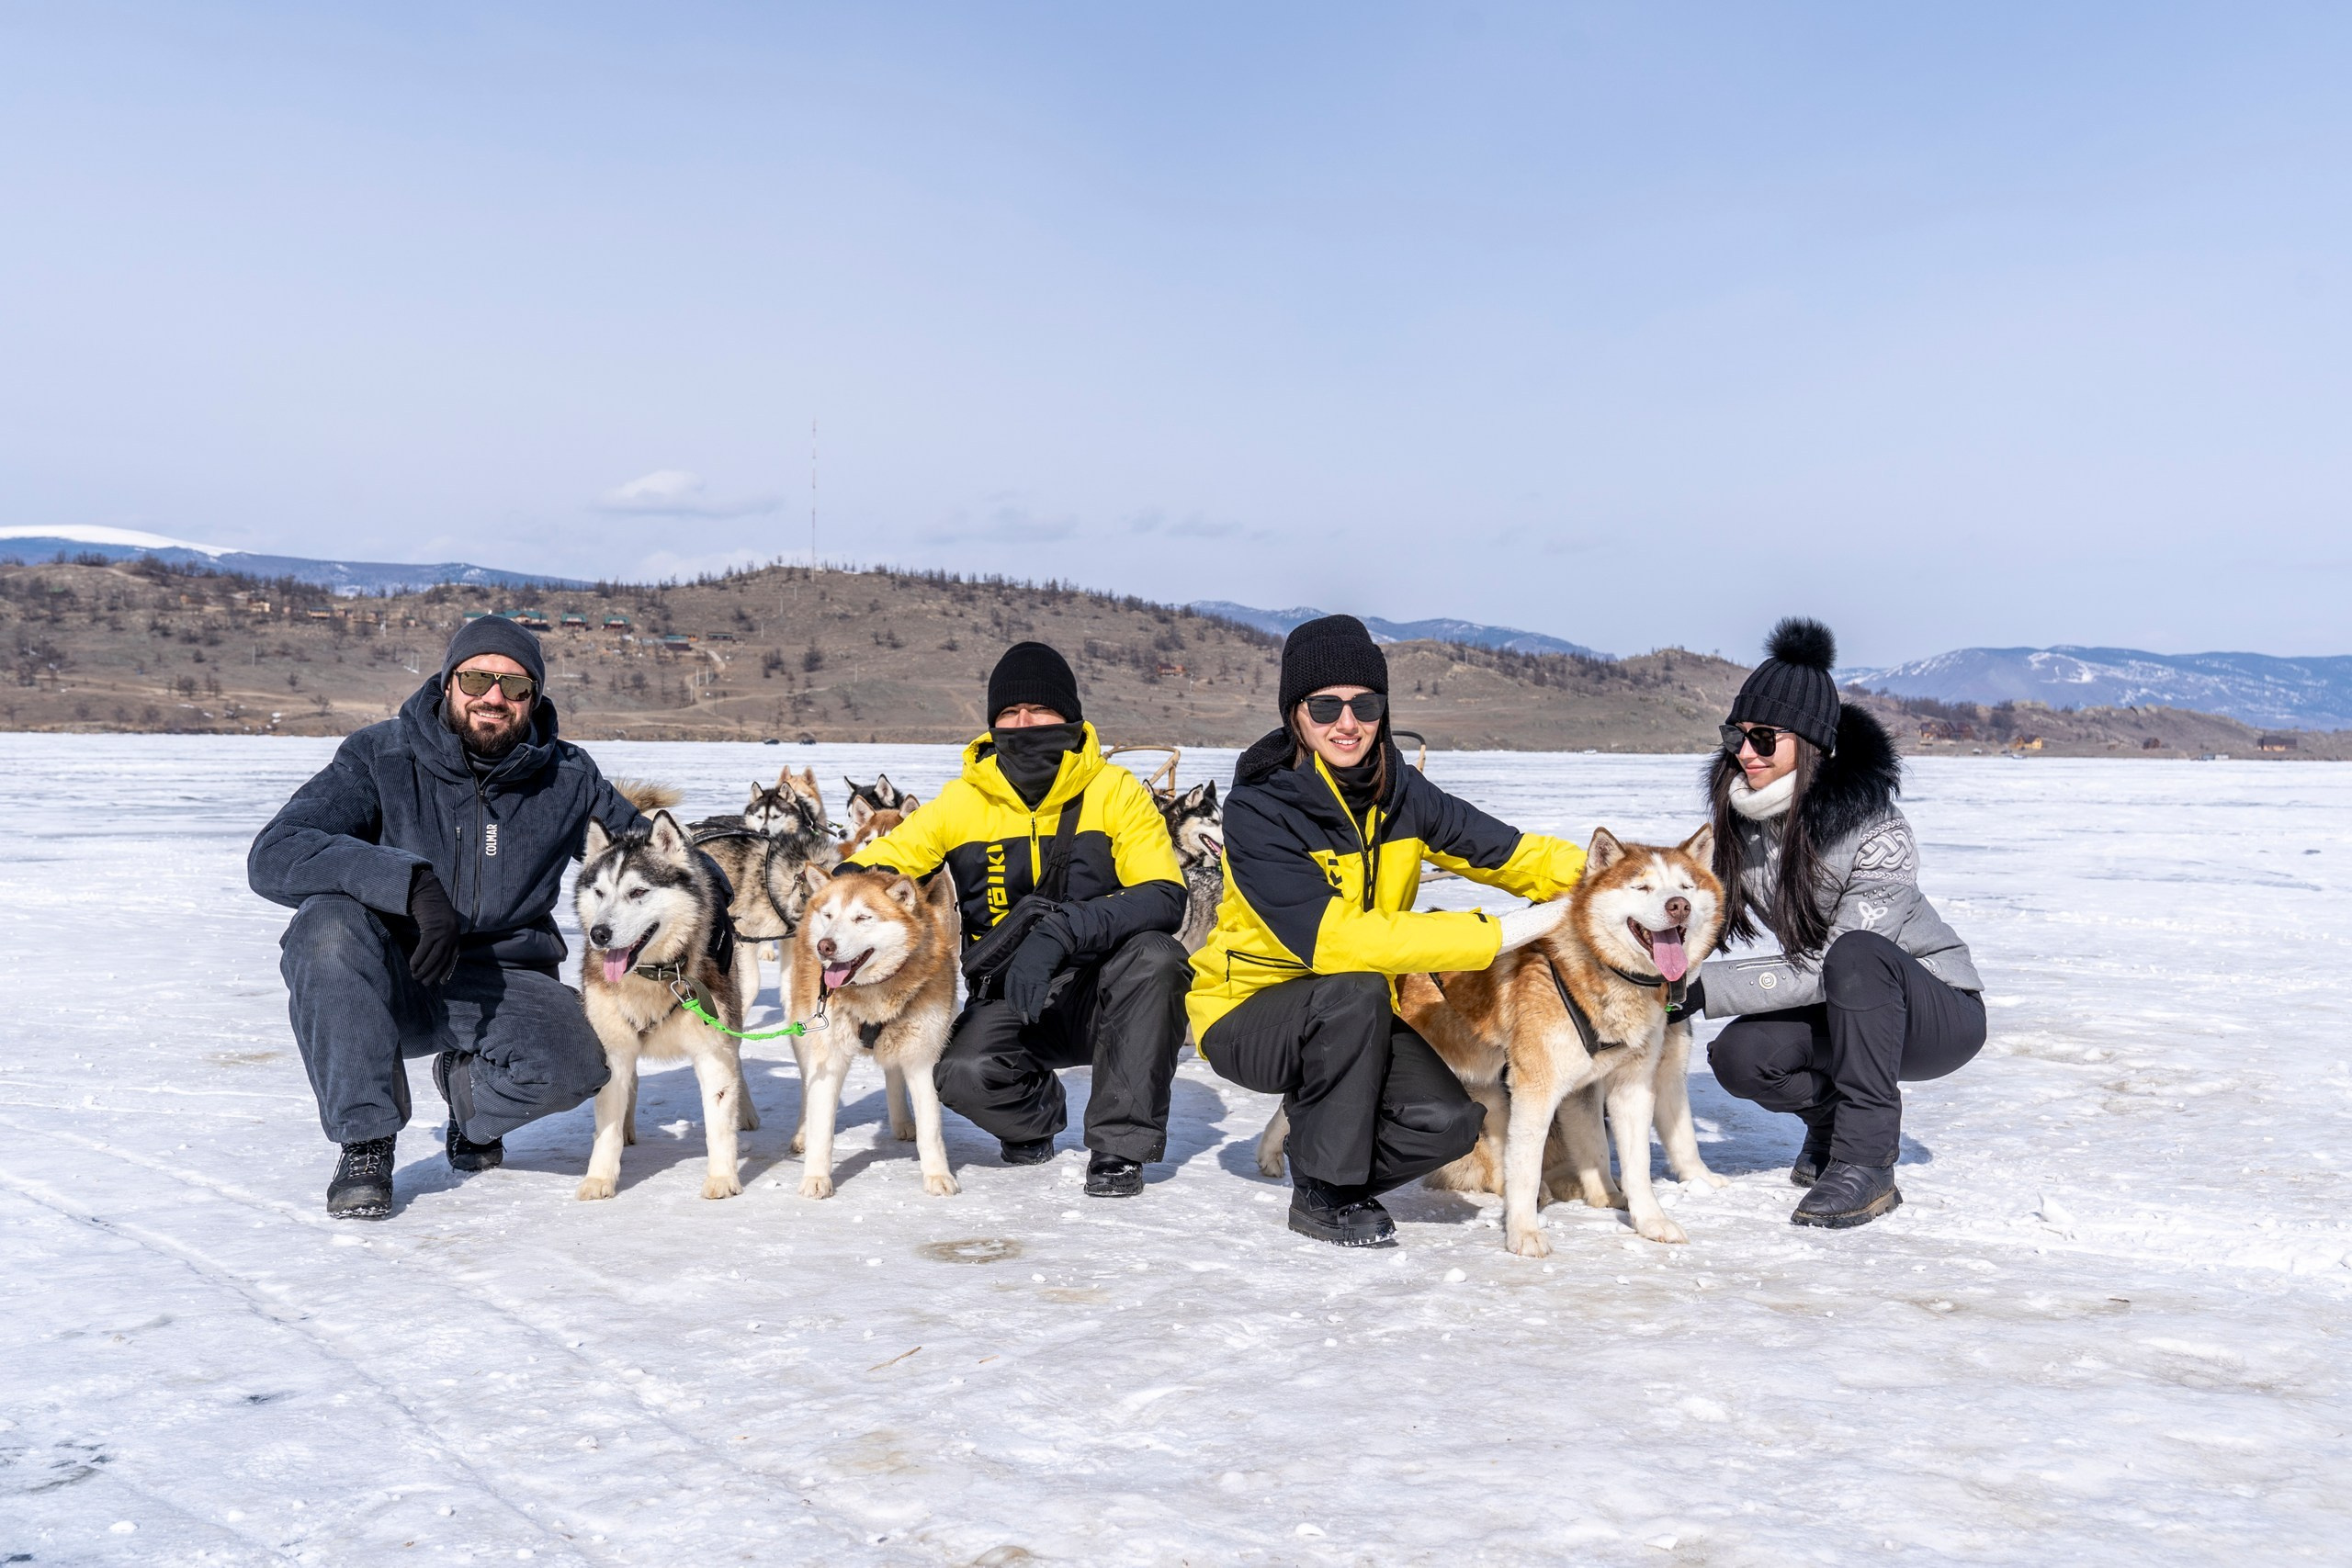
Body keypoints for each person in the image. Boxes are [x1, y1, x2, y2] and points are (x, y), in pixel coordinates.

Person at [1188, 615, 1586, 1247]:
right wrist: (1494, 934)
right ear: (1295, 713)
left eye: (1365, 705)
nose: (1347, 723)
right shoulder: (1260, 809)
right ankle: (1324, 1192)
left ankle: (1323, 1136)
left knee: (1448, 1124)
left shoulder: (1402, 792)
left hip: (1357, 1015)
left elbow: (1507, 852)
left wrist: (1617, 880)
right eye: (1326, 706)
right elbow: (1338, 941)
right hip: (1248, 1015)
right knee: (1356, 985)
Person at [249, 616, 648, 1219]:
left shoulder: (567, 777)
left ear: (534, 697)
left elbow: (647, 853)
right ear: (448, 682)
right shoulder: (380, 756)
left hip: (505, 980)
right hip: (390, 977)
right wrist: (408, 883)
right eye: (477, 679)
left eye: (515, 686)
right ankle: (366, 1143)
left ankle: (470, 1096)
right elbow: (276, 852)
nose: (494, 697)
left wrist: (724, 883)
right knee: (325, 924)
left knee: (581, 1064)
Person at [839, 641, 1191, 1198]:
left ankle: (1120, 1147)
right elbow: (877, 864)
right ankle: (1035, 1115)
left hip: (1103, 994)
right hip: (1011, 996)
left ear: (1069, 716)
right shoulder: (962, 802)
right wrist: (831, 900)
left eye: (1040, 710)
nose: (1024, 724)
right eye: (1010, 713)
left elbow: (1164, 896)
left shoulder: (1115, 791)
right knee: (959, 1073)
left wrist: (1062, 931)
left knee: (1157, 958)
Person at [1691, 617, 1985, 1229]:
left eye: (1764, 737)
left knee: (1856, 954)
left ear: (1812, 744)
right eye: (1736, 734)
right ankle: (1829, 1126)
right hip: (1839, 1004)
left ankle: (1867, 1161)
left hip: (1935, 1013)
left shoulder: (1878, 832)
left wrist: (1701, 990)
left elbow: (1833, 964)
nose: (1744, 751)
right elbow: (1694, 909)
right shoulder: (1743, 825)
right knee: (1742, 1056)